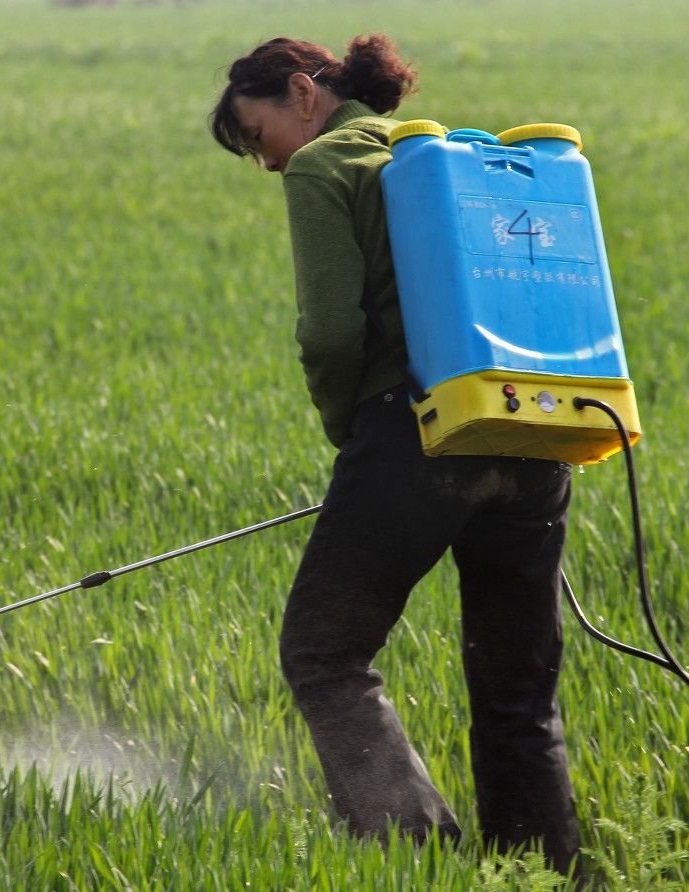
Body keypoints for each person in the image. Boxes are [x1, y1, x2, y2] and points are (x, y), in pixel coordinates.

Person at [209, 35, 582, 875]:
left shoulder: (324, 166)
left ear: (304, 94)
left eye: (258, 137)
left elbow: (332, 333)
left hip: (412, 433)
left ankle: (423, 862)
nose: (267, 164)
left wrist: (354, 434)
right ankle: (545, 873)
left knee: (324, 652)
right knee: (516, 693)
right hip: (531, 436)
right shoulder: (445, 157)